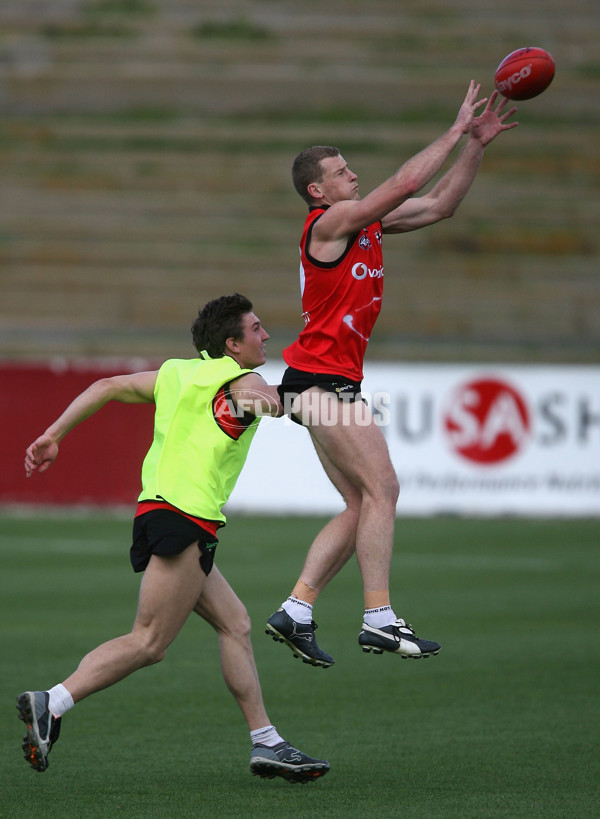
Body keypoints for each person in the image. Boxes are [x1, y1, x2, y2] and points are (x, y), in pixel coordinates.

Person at [17, 293, 329, 784]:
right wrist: (327, 398)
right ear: (233, 343)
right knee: (149, 642)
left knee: (235, 624)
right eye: (257, 328)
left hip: (161, 511)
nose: (266, 335)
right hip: (186, 517)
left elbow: (107, 385)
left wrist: (54, 434)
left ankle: (267, 743)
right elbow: (268, 402)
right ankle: (51, 703)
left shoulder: (177, 373)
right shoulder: (242, 379)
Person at [265, 84, 518, 668]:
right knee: (386, 488)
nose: (352, 175)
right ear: (316, 191)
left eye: (351, 168)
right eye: (341, 171)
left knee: (360, 505)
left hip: (321, 381)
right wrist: (452, 131)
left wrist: (475, 146)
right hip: (320, 381)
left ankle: (297, 610)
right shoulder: (327, 226)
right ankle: (379, 618)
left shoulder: (365, 224)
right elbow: (405, 185)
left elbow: (437, 205)